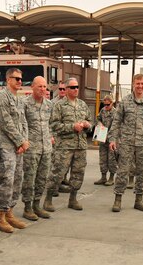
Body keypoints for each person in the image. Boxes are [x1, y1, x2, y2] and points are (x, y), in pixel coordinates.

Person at [108, 73, 143, 212]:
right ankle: (118, 199)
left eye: (142, 84)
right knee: (122, 171)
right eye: (138, 84)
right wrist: (112, 139)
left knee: (142, 172)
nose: (140, 86)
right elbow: (116, 122)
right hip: (126, 143)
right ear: (133, 84)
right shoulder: (125, 102)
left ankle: (139, 200)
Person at [45, 77, 92, 211]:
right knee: (57, 173)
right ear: (66, 89)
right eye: (72, 87)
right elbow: (54, 125)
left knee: (78, 173)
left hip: (80, 146)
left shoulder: (82, 104)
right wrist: (72, 127)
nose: (76, 89)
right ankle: (48, 200)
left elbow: (90, 122)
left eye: (77, 87)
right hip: (64, 147)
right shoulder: (59, 106)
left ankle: (73, 199)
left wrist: (88, 125)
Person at [0, 67, 30, 233]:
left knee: (17, 179)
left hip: (18, 147)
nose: (20, 81)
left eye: (21, 79)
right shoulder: (2, 97)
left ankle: (10, 213)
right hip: (6, 145)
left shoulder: (19, 100)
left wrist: (24, 142)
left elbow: (24, 122)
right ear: (8, 80)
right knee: (6, 180)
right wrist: (20, 141)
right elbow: (6, 122)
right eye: (17, 78)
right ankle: (0, 217)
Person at [21, 76, 54, 220]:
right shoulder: (25, 104)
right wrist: (23, 142)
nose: (42, 89)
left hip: (46, 148)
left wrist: (51, 136)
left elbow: (51, 123)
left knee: (42, 178)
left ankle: (37, 205)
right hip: (31, 149)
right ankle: (27, 207)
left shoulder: (49, 105)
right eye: (40, 86)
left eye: (44, 87)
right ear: (32, 87)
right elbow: (21, 124)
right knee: (30, 178)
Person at [95, 95, 117, 186]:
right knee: (103, 158)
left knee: (112, 159)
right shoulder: (103, 110)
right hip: (102, 137)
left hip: (112, 139)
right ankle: (103, 177)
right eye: (105, 104)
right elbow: (98, 118)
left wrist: (111, 136)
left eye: (108, 104)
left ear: (112, 103)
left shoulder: (115, 113)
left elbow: (117, 126)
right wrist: (100, 124)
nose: (106, 106)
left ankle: (111, 178)